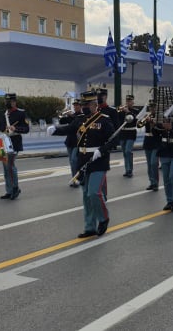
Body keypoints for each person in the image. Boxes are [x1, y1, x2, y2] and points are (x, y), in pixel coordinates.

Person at [48, 90, 117, 237]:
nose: (84, 107)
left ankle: (104, 218)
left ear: (94, 104)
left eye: (87, 104)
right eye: (83, 104)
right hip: (83, 160)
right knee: (86, 196)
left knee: (94, 193)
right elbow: (70, 129)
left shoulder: (104, 120)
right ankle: (90, 227)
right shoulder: (80, 120)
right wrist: (55, 130)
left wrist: (102, 150)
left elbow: (114, 140)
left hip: (98, 161)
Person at [0, 93, 29, 200]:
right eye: (6, 101)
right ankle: (9, 191)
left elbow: (26, 129)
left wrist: (16, 129)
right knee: (6, 168)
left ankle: (15, 188)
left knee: (10, 165)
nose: (8, 103)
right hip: (3, 143)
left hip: (14, 143)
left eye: (10, 101)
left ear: (14, 102)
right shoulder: (2, 114)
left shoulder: (21, 113)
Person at [60, 100, 83, 188]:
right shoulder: (71, 116)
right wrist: (63, 114)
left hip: (77, 142)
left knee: (74, 160)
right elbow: (62, 121)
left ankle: (77, 178)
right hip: (69, 141)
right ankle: (74, 179)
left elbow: (77, 123)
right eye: (75, 105)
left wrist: (71, 116)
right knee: (71, 162)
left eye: (77, 105)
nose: (75, 107)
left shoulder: (81, 116)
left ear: (81, 107)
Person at [138, 101, 160, 191]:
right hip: (148, 142)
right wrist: (142, 120)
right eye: (151, 107)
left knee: (154, 163)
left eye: (154, 107)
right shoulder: (147, 116)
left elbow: (160, 127)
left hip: (156, 141)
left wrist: (153, 122)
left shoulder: (159, 117)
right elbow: (139, 125)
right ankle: (152, 182)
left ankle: (156, 183)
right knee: (149, 164)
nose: (152, 109)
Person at [118, 95, 140, 178]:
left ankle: (130, 170)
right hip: (123, 133)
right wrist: (120, 111)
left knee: (128, 151)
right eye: (127, 101)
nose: (128, 103)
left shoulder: (135, 111)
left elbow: (134, 120)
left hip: (131, 133)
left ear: (133, 102)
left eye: (130, 101)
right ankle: (127, 170)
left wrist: (128, 112)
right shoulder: (122, 110)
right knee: (124, 153)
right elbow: (118, 120)